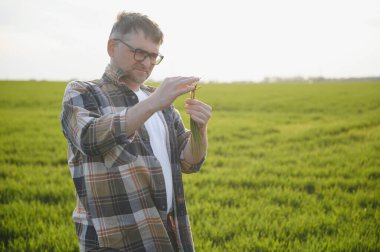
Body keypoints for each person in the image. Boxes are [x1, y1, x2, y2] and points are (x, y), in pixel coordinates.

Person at [60, 11, 212, 252]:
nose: (148, 62)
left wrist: (199, 129)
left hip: (169, 232)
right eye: (139, 52)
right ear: (112, 47)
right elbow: (89, 138)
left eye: (154, 56)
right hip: (114, 239)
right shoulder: (83, 92)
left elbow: (189, 161)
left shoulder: (159, 99)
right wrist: (153, 103)